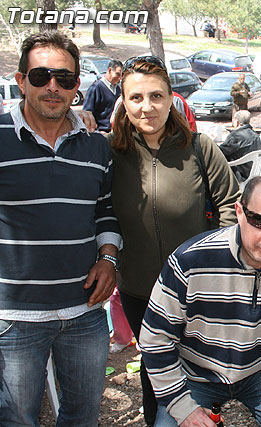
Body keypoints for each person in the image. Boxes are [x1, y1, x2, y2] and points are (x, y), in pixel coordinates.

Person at [109, 55, 241, 425]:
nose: (147, 107)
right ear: (124, 101)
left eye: (156, 96)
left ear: (171, 99)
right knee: (155, 372)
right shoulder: (109, 151)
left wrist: (221, 267)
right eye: (136, 98)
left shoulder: (200, 147)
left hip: (196, 293)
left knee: (199, 370)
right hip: (138, 292)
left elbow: (232, 208)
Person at [0, 31, 121, 426]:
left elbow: (105, 209)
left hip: (84, 312)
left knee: (83, 416)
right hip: (13, 317)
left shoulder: (96, 146)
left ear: (77, 86)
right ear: (21, 81)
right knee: (17, 420)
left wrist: (107, 258)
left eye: (65, 79)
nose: (53, 86)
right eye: (41, 77)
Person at [139, 175, 261, 427]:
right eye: (260, 221)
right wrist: (183, 407)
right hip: (194, 371)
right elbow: (154, 338)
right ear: (239, 211)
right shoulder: (190, 262)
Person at [219, 109, 261, 180]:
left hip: (238, 173)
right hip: (252, 172)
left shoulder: (236, 136)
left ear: (237, 122)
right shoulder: (256, 136)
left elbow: (222, 152)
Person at [83, 58, 123, 132]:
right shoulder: (96, 88)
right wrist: (97, 132)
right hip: (101, 132)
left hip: (115, 133)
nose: (119, 78)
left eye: (121, 75)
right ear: (110, 70)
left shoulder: (117, 89)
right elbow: (87, 114)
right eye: (117, 74)